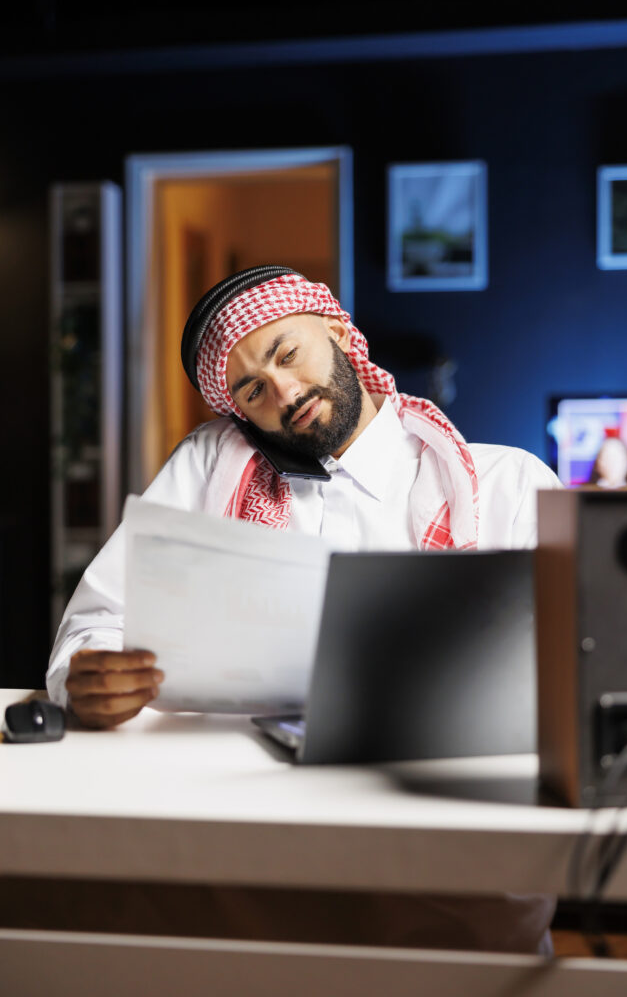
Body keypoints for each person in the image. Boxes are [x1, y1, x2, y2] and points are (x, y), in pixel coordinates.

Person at [46, 266, 561, 953]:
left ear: (340, 333)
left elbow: (577, 669)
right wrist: (87, 676)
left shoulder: (508, 484)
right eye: (250, 389)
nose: (282, 393)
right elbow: (96, 624)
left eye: (287, 354)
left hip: (449, 867)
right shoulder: (208, 468)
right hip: (250, 866)